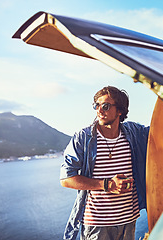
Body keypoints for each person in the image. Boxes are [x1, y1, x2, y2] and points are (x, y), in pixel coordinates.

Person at [60, 86, 149, 240]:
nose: (99, 110)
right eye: (96, 105)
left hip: (128, 221)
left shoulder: (134, 133)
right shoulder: (84, 138)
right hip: (96, 224)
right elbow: (66, 179)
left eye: (105, 106)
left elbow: (161, 131)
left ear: (120, 110)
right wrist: (107, 184)